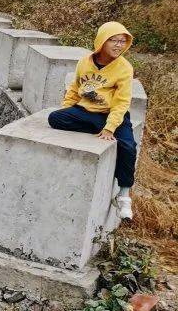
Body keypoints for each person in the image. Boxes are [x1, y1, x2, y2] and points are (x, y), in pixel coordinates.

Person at [48, 22, 137, 220]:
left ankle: (123, 195)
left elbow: (122, 102)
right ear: (102, 41)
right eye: (113, 40)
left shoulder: (124, 68)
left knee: (128, 146)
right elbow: (74, 88)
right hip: (86, 110)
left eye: (122, 41)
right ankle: (93, 126)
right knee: (55, 118)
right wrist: (67, 109)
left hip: (111, 113)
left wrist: (110, 128)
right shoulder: (85, 62)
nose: (118, 45)